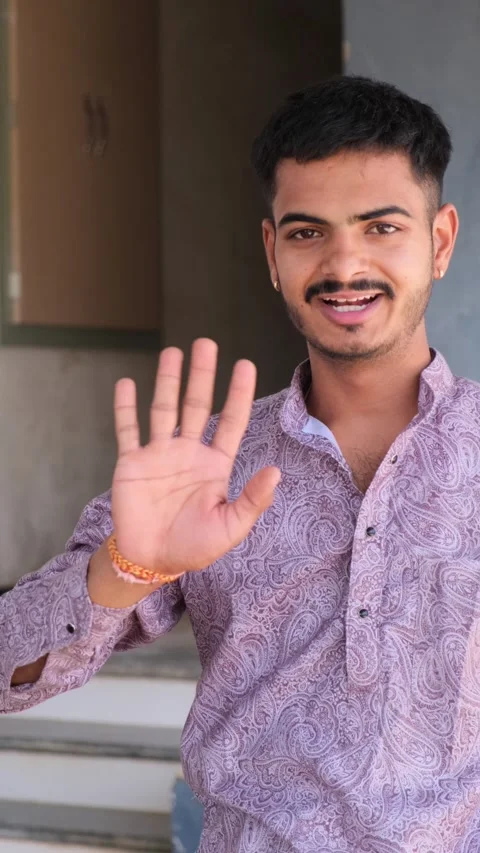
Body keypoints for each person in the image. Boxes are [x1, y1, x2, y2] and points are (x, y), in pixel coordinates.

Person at [1, 74, 478, 851]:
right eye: (307, 231)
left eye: (381, 226)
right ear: (272, 251)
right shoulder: (205, 463)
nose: (344, 263)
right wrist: (127, 567)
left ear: (441, 239)